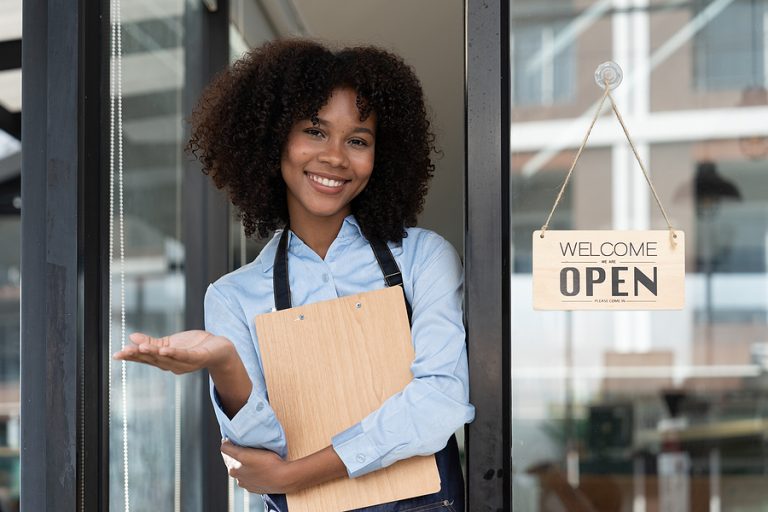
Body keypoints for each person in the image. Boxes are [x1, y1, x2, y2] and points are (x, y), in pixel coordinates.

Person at [114, 39, 474, 511]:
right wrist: (225, 363)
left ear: (381, 157)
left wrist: (297, 474)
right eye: (315, 131)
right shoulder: (233, 296)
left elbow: (440, 403)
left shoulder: (423, 259)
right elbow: (259, 457)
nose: (335, 157)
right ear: (274, 139)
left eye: (358, 140)